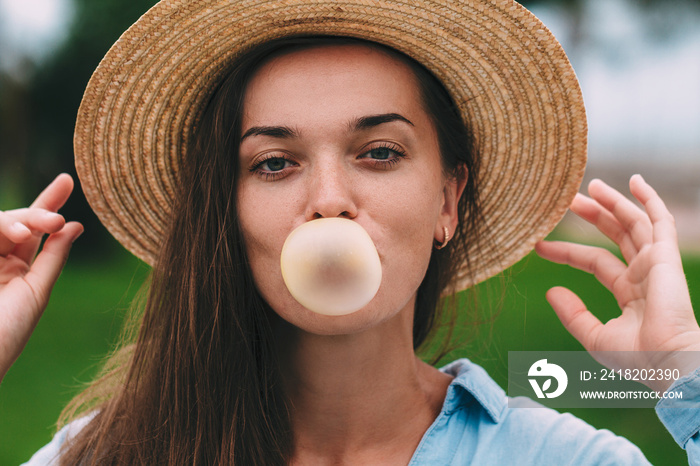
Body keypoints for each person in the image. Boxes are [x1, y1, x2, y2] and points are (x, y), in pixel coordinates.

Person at [1, 0, 699, 464]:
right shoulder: (106, 455)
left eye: (380, 153)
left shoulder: (563, 459)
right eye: (274, 163)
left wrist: (682, 380)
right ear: (227, 211)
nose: (330, 200)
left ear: (448, 201)